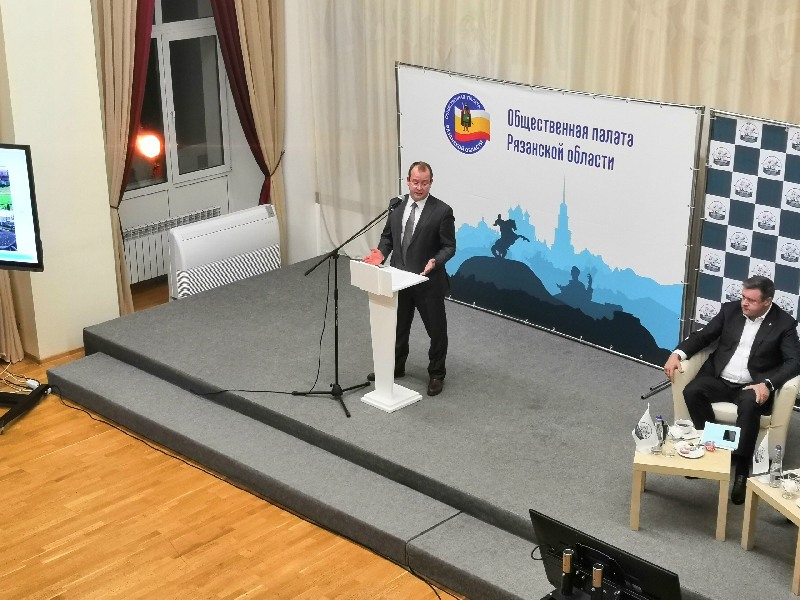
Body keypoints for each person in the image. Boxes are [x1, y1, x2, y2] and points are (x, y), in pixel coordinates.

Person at [663, 276, 800, 505]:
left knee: (750, 405)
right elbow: (703, 336)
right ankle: (712, 448)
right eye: (743, 297)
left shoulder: (784, 324)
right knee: (692, 391)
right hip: (720, 378)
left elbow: (795, 362)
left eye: (751, 300)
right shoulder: (730, 310)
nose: (744, 303)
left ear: (767, 302)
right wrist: (677, 354)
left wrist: (767, 384)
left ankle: (742, 471)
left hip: (752, 384)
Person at [364, 161, 456, 396]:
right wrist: (381, 253)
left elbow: (449, 247)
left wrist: (436, 260)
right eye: (415, 182)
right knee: (397, 327)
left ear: (431, 183)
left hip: (427, 282)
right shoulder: (396, 205)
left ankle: (437, 374)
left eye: (424, 183)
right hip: (399, 279)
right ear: (407, 181)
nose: (419, 188)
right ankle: (396, 367)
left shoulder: (442, 211)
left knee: (436, 331)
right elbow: (388, 237)